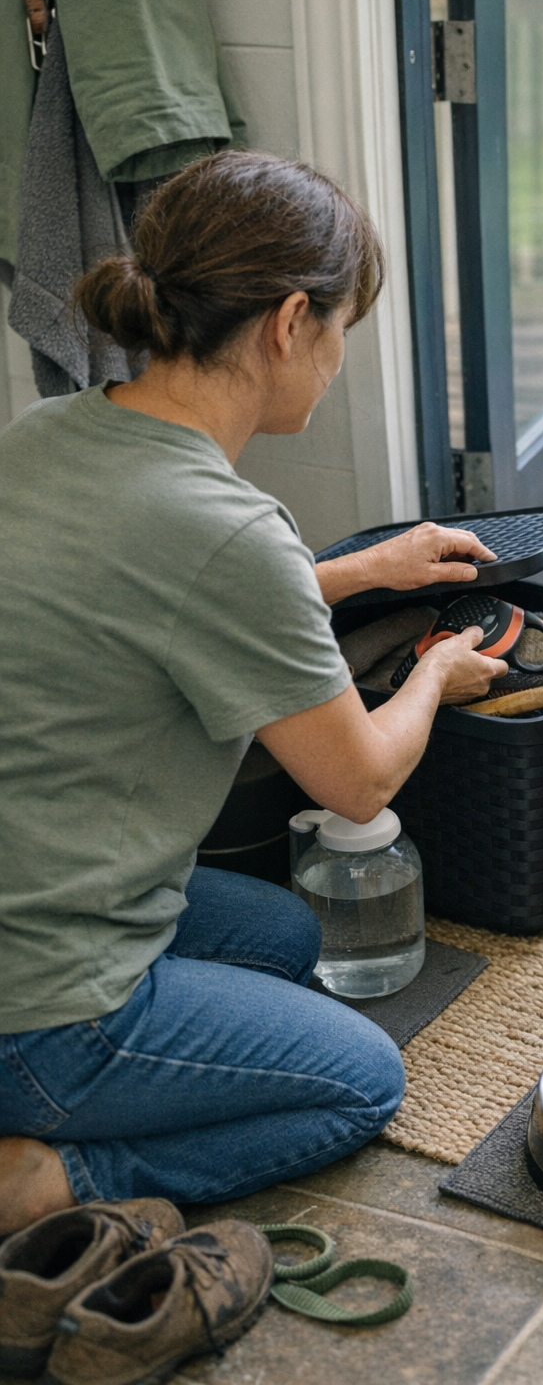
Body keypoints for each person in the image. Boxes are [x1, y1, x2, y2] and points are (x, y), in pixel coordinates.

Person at [0, 150, 508, 1236]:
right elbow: (362, 783)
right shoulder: (230, 531)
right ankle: (43, 1183)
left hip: (21, 911)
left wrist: (362, 571)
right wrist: (434, 674)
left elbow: (159, 606)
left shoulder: (48, 435)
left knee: (281, 936)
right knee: (358, 1083)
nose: (333, 367)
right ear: (288, 324)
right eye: (338, 336)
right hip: (43, 1009)